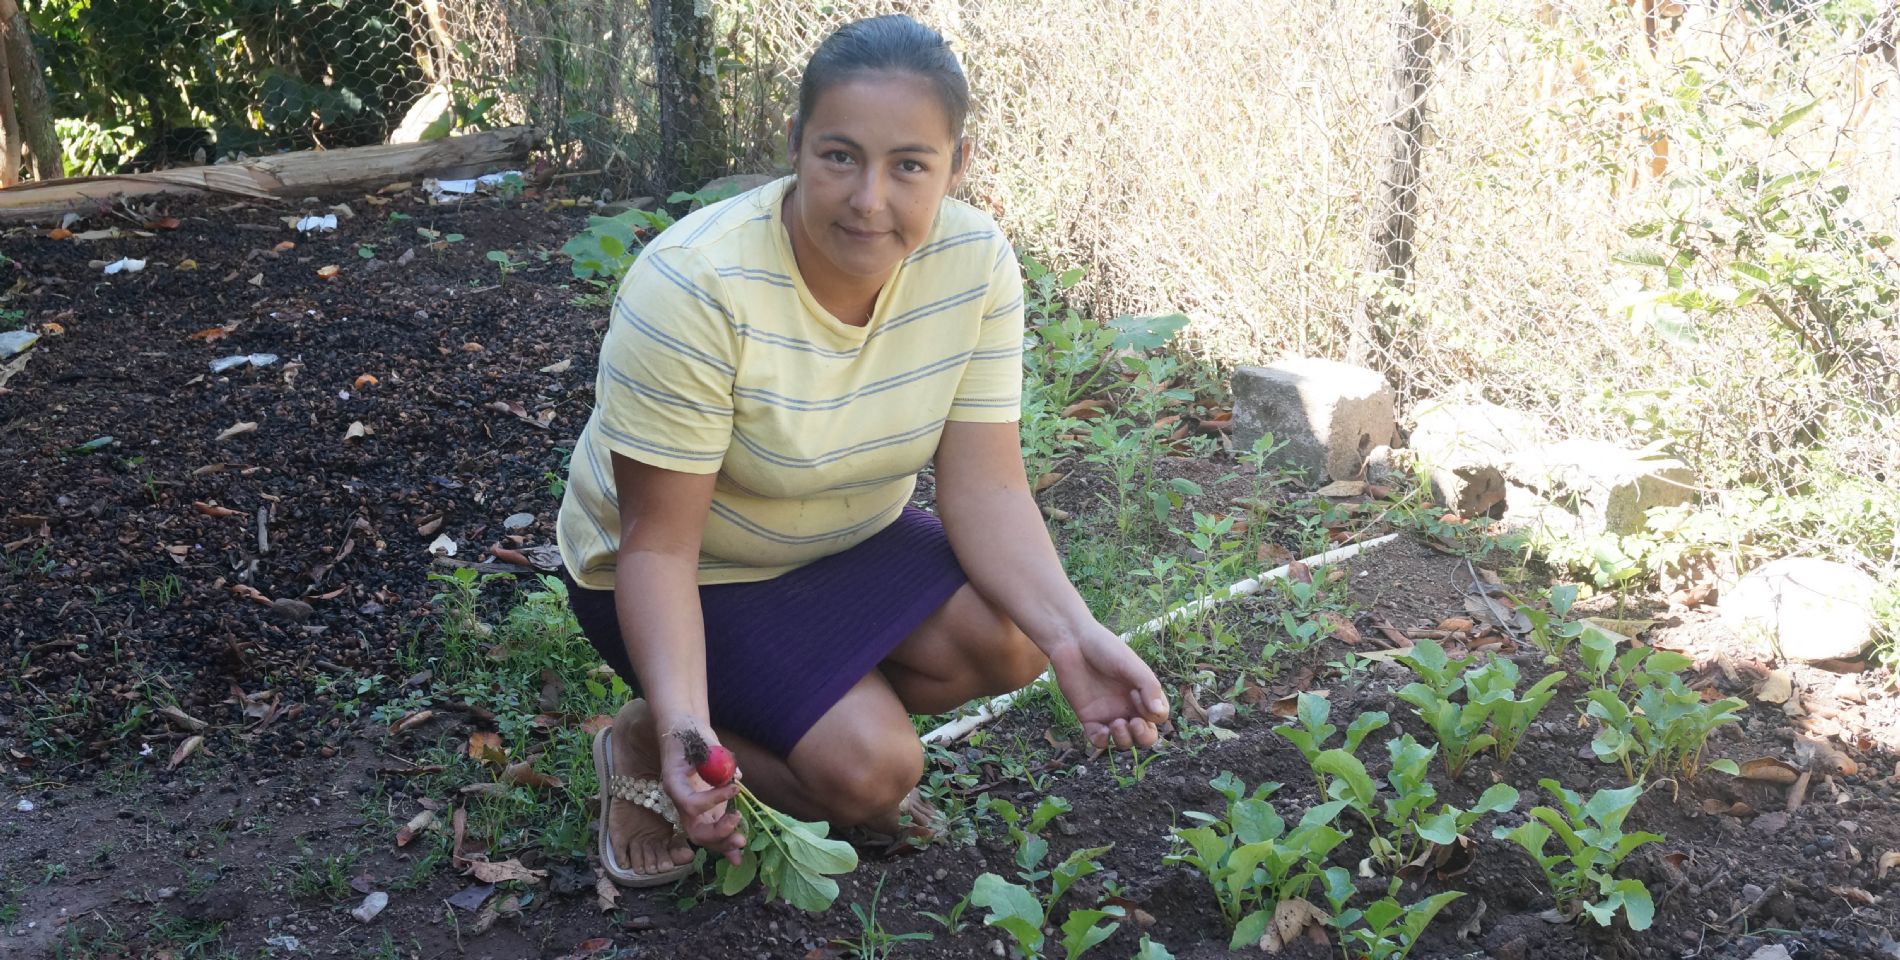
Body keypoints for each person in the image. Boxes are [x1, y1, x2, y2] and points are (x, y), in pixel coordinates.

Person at [556, 13, 1170, 887]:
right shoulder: (696, 285)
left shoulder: (973, 263)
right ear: (796, 145)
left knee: (1015, 639)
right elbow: (659, 548)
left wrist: (1077, 635)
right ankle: (649, 742)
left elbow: (988, 489)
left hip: (850, 541)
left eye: (909, 165)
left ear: (957, 166)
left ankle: (780, 705)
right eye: (840, 156)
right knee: (873, 772)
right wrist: (686, 725)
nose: (869, 199)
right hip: (692, 572)